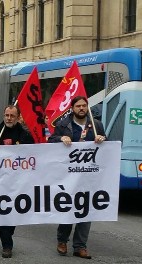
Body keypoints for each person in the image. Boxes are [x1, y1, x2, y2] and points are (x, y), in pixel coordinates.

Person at [48, 96, 106, 259]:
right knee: (68, 207)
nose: (82, 108)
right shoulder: (63, 125)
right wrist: (60, 138)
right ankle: (62, 241)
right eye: (78, 106)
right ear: (72, 108)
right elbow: (50, 141)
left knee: (85, 209)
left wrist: (102, 139)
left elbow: (107, 146)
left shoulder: (96, 125)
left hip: (89, 176)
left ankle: (80, 246)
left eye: (84, 105)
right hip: (68, 176)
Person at [0, 105, 34, 258]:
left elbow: (33, 156)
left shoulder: (25, 136)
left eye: (12, 116)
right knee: (3, 211)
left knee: (14, 211)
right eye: (6, 115)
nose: (9, 118)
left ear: (18, 117)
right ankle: (7, 245)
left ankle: (9, 233)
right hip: (0, 181)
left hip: (19, 181)